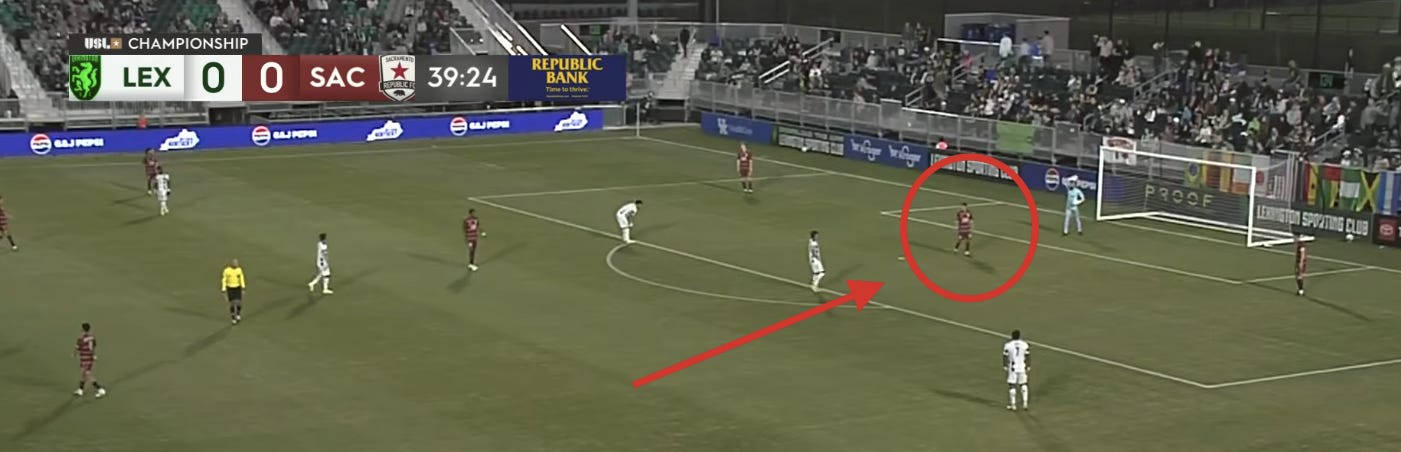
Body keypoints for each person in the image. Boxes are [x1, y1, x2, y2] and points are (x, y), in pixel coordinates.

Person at [74, 323, 106, 398]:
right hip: (90, 358)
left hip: (84, 358)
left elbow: (77, 348)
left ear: (82, 329)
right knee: (84, 373)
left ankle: (100, 389)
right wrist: (93, 355)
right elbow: (93, 346)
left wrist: (75, 354)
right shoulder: (92, 337)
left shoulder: (80, 339)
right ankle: (80, 389)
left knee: (88, 374)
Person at [1003, 330, 1030, 411]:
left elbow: (1005, 356)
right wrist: (1028, 365)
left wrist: (1005, 365)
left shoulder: (1008, 345)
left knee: (1012, 385)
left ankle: (1013, 405)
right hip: (1022, 366)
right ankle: (1025, 403)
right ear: (1019, 336)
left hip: (1013, 367)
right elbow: (1027, 355)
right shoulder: (1024, 344)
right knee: (1023, 384)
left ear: (1012, 336)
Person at [222, 259, 246, 324]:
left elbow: (241, 278)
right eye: (235, 263)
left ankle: (238, 313)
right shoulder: (226, 271)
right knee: (232, 303)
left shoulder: (239, 270)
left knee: (238, 302)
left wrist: (243, 287)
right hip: (230, 288)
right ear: (232, 264)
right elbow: (224, 280)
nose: (236, 264)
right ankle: (233, 318)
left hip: (237, 288)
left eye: (237, 263)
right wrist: (223, 289)